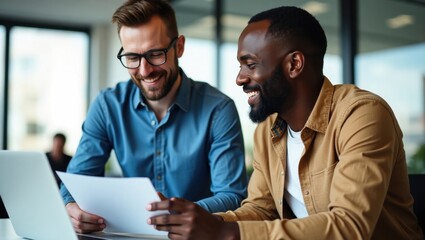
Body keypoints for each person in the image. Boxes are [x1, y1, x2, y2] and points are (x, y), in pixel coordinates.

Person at [146, 6, 424, 240]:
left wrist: (225, 233)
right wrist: (195, 221)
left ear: (294, 64)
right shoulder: (268, 131)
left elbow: (349, 226)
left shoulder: (362, 115)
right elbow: (260, 210)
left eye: (250, 64)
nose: (240, 78)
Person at [60, 0, 247, 234]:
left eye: (155, 54)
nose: (144, 70)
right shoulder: (108, 105)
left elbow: (232, 196)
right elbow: (76, 180)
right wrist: (71, 207)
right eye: (132, 57)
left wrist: (172, 214)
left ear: (179, 47)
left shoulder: (218, 109)